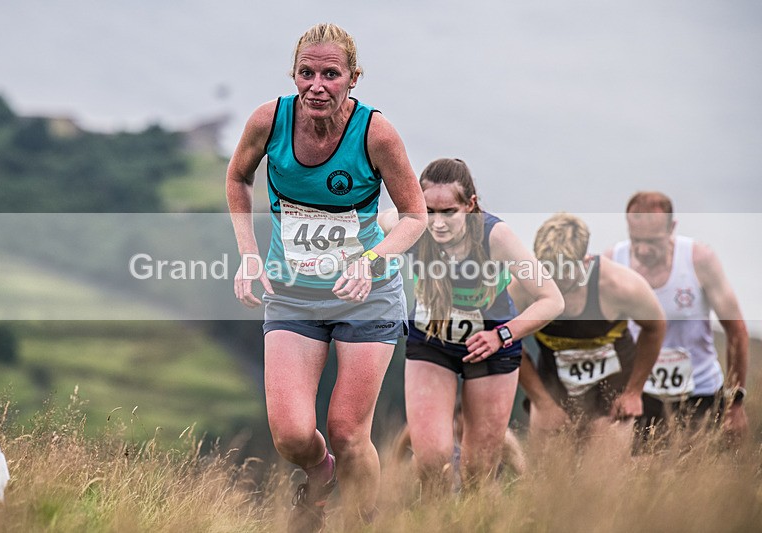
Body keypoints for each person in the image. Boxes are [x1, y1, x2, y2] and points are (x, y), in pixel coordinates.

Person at [226, 23, 427, 532]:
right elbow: (238, 176)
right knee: (293, 435)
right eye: (306, 73)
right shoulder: (269, 120)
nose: (317, 86)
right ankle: (320, 475)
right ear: (293, 74)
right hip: (293, 294)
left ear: (353, 78)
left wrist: (371, 259)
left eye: (330, 74)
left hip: (367, 294)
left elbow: (415, 216)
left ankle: (360, 523)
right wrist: (249, 255)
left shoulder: (375, 133)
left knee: (347, 431)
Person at [380, 158, 563, 494]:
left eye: (448, 212)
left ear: (470, 205)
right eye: (429, 211)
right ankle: (435, 518)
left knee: (478, 470)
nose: (437, 223)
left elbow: (551, 299)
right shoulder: (412, 225)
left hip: (490, 348)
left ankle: (477, 516)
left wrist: (502, 335)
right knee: (432, 461)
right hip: (432, 342)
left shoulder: (496, 236)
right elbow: (383, 220)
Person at [513, 213, 666, 450]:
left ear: (585, 261)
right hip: (553, 388)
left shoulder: (619, 285)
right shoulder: (523, 287)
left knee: (602, 471)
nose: (555, 281)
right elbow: (505, 339)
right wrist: (542, 401)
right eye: (548, 270)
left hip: (612, 390)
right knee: (546, 471)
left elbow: (655, 327)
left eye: (565, 273)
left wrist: (633, 392)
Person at [605, 191, 749, 443]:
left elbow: (736, 331)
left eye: (652, 241)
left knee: (702, 467)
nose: (642, 250)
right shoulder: (613, 263)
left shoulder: (698, 260)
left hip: (700, 392)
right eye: (636, 240)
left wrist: (735, 402)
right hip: (638, 394)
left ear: (672, 227)